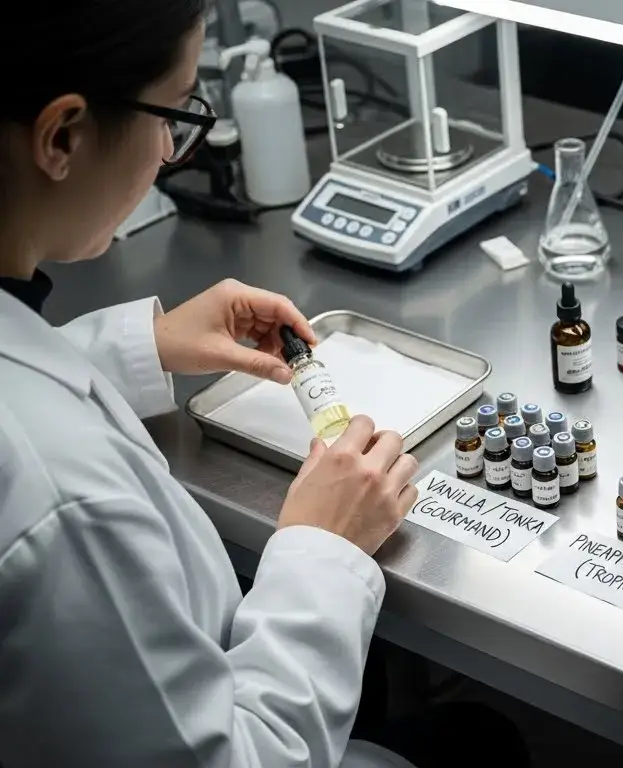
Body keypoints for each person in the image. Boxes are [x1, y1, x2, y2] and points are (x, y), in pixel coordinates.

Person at [0, 4, 426, 766]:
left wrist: (142, 346)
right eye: (174, 111)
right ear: (62, 136)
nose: (170, 149)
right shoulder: (65, 504)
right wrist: (320, 547)